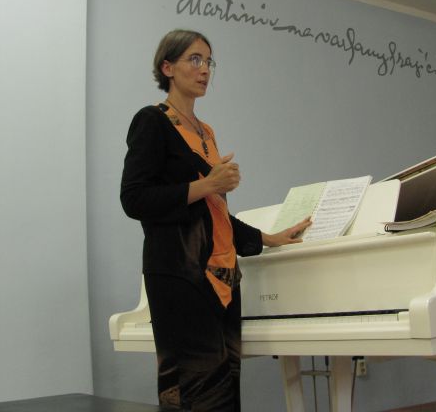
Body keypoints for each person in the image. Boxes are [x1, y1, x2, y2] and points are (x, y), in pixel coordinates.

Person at [120, 29, 311, 411]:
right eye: (194, 59)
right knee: (195, 395)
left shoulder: (205, 132)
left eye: (208, 61)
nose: (205, 69)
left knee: (225, 395)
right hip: (180, 277)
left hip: (224, 277)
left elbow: (213, 214)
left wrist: (270, 238)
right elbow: (134, 198)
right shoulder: (152, 121)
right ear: (167, 67)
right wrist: (208, 183)